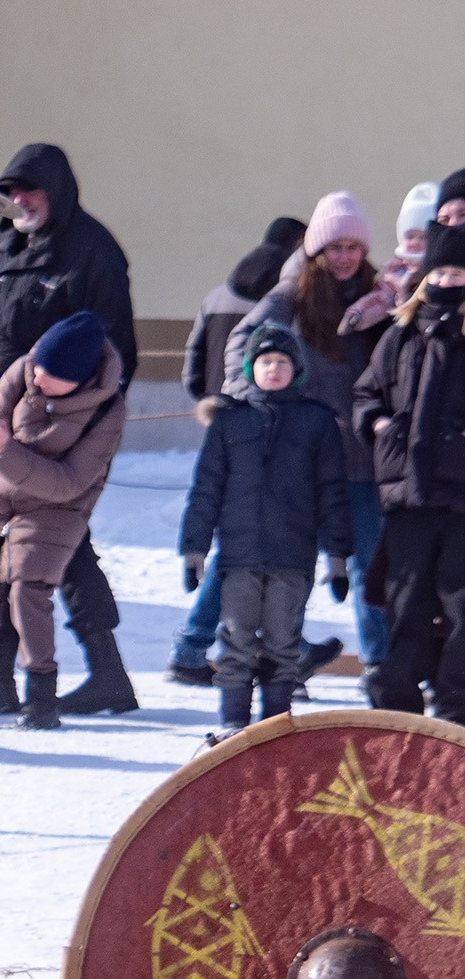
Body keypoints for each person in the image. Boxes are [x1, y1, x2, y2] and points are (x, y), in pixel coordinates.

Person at [0, 145, 139, 716]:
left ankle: (15, 678)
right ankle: (96, 673)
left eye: (30, 191)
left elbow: (114, 349)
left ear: (57, 191)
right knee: (39, 549)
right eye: (11, 191)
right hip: (4, 421)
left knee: (44, 546)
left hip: (61, 430)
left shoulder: (92, 252)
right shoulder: (5, 243)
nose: (19, 201)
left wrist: (73, 424)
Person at [0, 311, 127, 732]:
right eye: (38, 367)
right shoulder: (26, 368)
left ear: (82, 378)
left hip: (56, 507)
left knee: (27, 594)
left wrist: (4, 450)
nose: (39, 379)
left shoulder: (106, 409)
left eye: (53, 375)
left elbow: (70, 482)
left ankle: (41, 698)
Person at [179, 322, 352, 734]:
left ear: (297, 370)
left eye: (281, 362)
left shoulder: (317, 422)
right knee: (236, 639)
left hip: (292, 557)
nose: (273, 369)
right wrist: (194, 549)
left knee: (282, 643)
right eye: (265, 362)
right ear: (250, 368)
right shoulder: (229, 421)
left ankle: (274, 729)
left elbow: (333, 492)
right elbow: (206, 489)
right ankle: (234, 725)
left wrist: (339, 557)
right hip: (240, 556)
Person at [247, 195, 382, 683]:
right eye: (334, 246)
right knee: (292, 567)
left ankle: (379, 663)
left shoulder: (380, 300)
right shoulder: (290, 302)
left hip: (364, 461)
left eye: (353, 246)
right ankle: (286, 661)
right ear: (316, 251)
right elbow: (250, 357)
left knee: (370, 566)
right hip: (303, 459)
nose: (345, 256)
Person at [168, 215, 306, 684]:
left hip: (222, 421)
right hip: (261, 426)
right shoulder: (287, 302)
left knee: (238, 543)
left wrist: (212, 399)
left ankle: (201, 646)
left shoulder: (217, 294)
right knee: (257, 548)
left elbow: (191, 364)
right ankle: (258, 649)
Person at [351, 220, 465, 717]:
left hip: (461, 500)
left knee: (460, 606)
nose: (448, 280)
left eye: (459, 272)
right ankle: (398, 703)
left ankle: (457, 705)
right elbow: (365, 392)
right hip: (406, 497)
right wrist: (377, 424)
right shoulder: (400, 334)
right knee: (406, 604)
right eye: (441, 271)